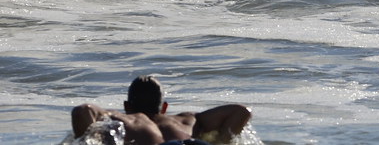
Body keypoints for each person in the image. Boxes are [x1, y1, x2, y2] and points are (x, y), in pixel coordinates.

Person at [71, 75, 251, 145]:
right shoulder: (188, 119)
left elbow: (82, 111)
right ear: (164, 107)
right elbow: (241, 111)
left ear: (127, 106)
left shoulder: (123, 119)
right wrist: (221, 141)